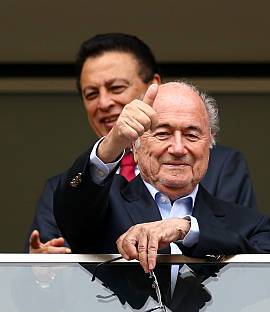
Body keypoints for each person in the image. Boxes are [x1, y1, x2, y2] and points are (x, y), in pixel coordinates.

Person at [27, 33, 257, 254]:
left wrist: (183, 228)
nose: (104, 102)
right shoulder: (70, 186)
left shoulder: (220, 165)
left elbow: (236, 241)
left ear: (153, 87)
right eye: (91, 94)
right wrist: (40, 275)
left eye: (116, 88)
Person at [54, 81, 270, 274]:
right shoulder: (105, 207)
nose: (178, 148)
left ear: (210, 142)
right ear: (135, 143)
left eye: (191, 135)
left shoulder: (248, 224)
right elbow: (72, 208)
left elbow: (269, 279)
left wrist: (188, 230)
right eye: (162, 133)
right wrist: (112, 143)